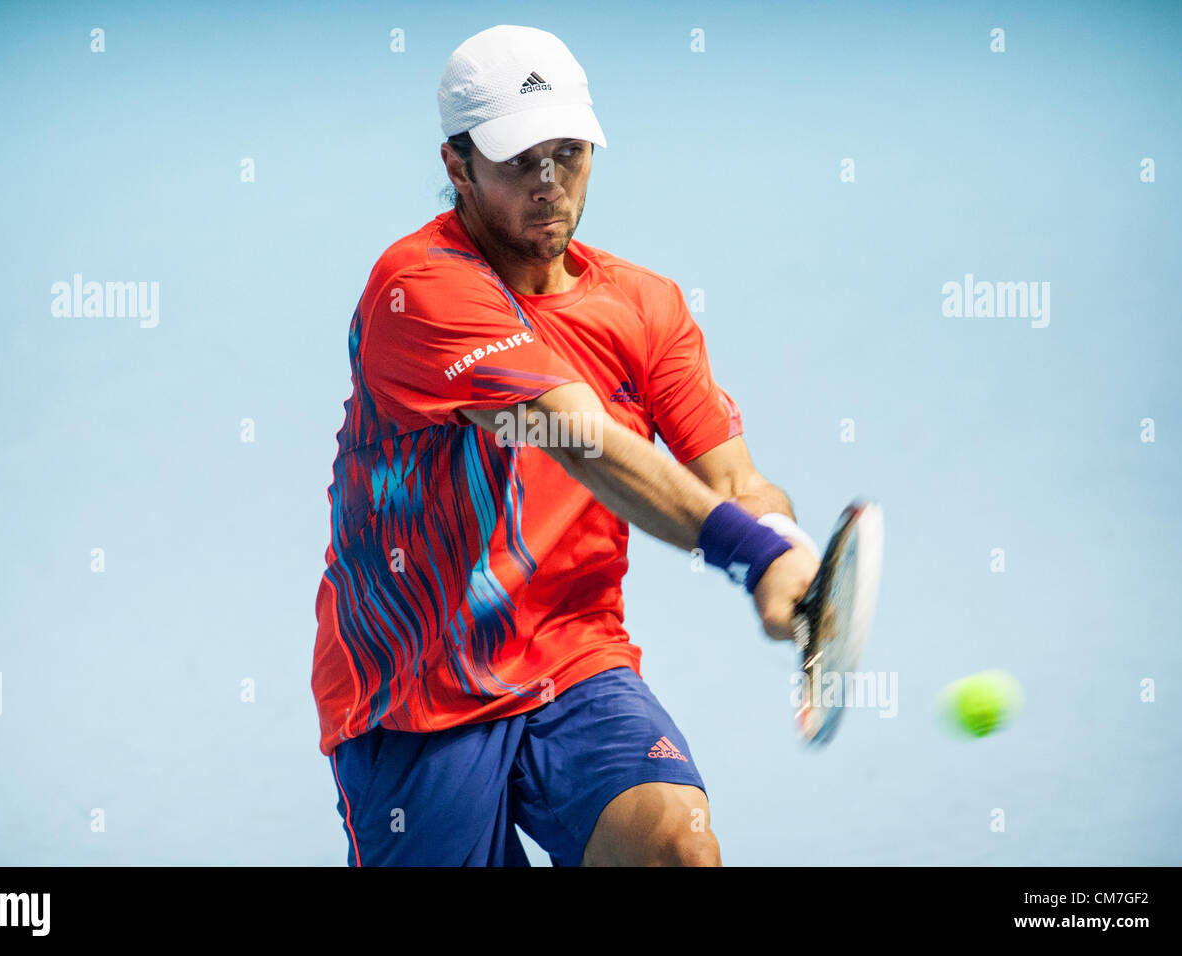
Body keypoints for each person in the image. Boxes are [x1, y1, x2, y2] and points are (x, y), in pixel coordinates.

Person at [311, 24, 820, 866]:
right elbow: (576, 437)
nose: (551, 184)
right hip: (415, 693)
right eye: (519, 161)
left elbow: (734, 479)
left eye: (570, 154)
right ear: (457, 166)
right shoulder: (418, 288)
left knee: (678, 851)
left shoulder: (647, 305)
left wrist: (789, 551)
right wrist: (751, 556)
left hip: (577, 659)